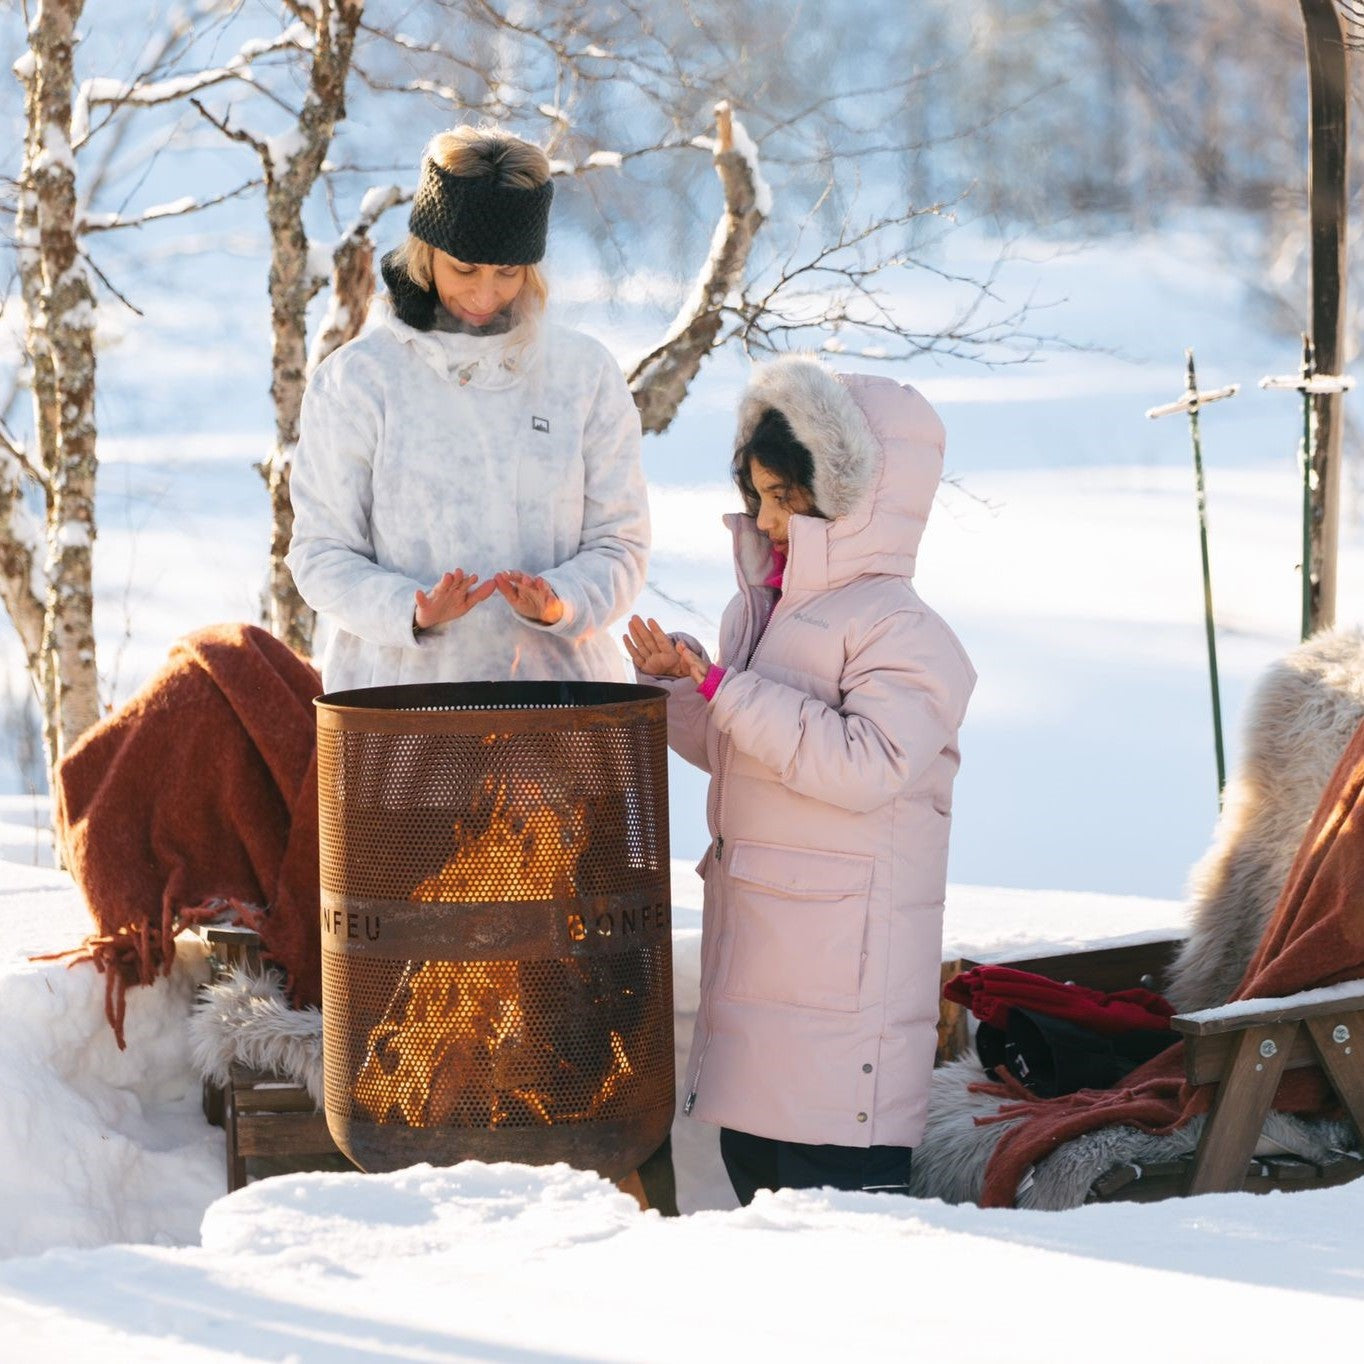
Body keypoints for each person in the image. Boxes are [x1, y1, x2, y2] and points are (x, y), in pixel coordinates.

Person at [623, 355, 975, 1206]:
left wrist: (724, 688)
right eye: (758, 496)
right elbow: (749, 749)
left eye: (788, 496)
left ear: (857, 489)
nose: (770, 519)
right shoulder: (761, 611)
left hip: (843, 985)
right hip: (765, 965)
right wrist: (677, 687)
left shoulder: (906, 632)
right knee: (762, 1205)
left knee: (842, 1228)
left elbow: (862, 766)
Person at [287, 125, 648, 692]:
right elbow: (321, 552)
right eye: (464, 269)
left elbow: (619, 542)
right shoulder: (359, 380)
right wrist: (409, 608)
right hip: (400, 708)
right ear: (427, 251)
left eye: (507, 273)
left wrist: (563, 602)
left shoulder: (582, 375)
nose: (484, 295)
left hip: (555, 703)